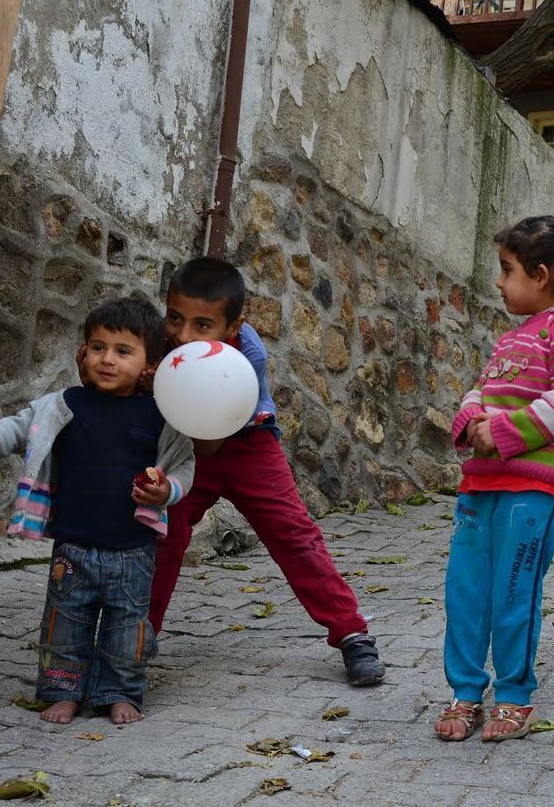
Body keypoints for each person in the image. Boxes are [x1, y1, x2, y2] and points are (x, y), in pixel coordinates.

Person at [0, 297, 194, 725]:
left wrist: (167, 490)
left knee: (126, 630)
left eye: (122, 351)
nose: (107, 359)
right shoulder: (64, 405)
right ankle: (64, 690)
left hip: (132, 551)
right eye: (97, 347)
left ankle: (119, 692)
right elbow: (19, 427)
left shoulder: (160, 416)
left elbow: (185, 465)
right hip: (73, 548)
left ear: (149, 364)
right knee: (65, 625)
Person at [149, 257, 385, 686]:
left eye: (203, 326)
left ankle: (351, 631)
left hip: (245, 444)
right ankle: (137, 634)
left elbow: (212, 438)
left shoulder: (249, 354)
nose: (184, 335)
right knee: (164, 530)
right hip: (185, 447)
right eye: (175, 318)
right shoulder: (159, 343)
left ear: (233, 326)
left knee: (294, 534)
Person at [435, 216, 554, 742]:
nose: (498, 281)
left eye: (506, 270)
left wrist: (507, 433)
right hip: (481, 487)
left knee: (513, 592)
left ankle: (514, 695)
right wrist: (470, 419)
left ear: (541, 275)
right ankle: (466, 690)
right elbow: (481, 389)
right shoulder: (514, 337)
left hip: (534, 490)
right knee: (465, 590)